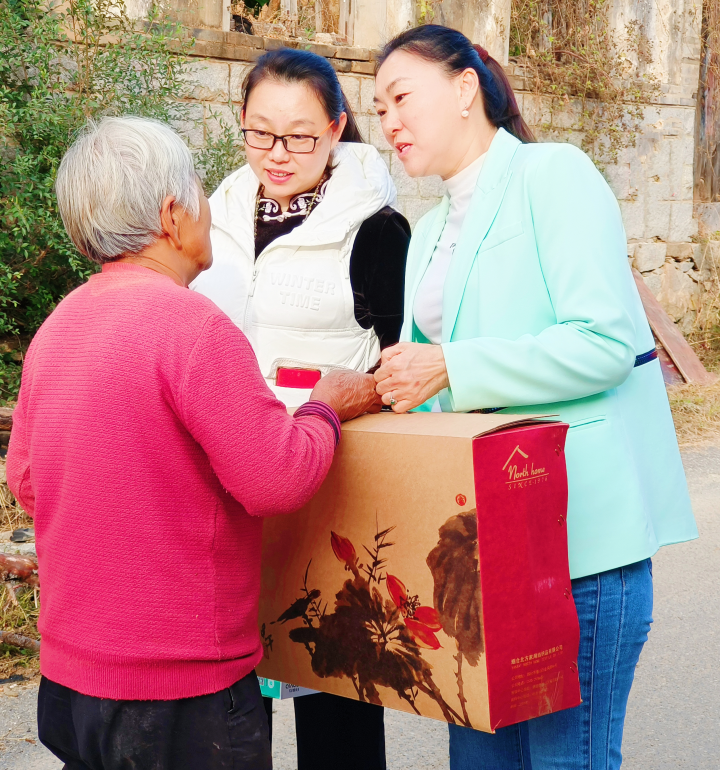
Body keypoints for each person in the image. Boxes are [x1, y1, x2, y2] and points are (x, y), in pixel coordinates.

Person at [5, 115, 379, 770]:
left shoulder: (57, 328)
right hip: (179, 695)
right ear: (174, 214)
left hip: (71, 682)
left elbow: (28, 482)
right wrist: (327, 405)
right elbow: (278, 477)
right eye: (202, 194)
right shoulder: (194, 328)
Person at [372, 25, 699, 769]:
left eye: (400, 96)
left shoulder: (552, 175)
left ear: (463, 89)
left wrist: (451, 364)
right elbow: (426, 384)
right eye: (378, 105)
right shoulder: (424, 233)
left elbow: (605, 342)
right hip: (479, 558)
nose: (388, 121)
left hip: (575, 546)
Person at [192, 47, 410, 770]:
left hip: (330, 489)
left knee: (336, 703)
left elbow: (402, 369)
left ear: (338, 127)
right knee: (230, 706)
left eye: (300, 136)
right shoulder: (211, 220)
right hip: (227, 485)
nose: (277, 154)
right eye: (259, 132)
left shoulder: (378, 229)